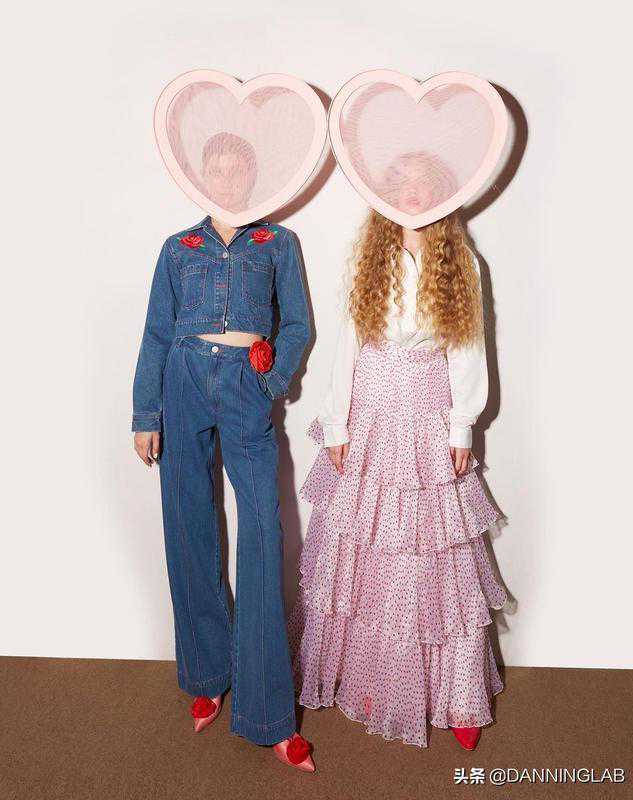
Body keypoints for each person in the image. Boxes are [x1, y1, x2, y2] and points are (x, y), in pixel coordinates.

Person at [287, 151, 507, 751]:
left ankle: (457, 694)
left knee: (435, 556)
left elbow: (468, 348)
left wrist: (462, 427)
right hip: (371, 417)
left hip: (430, 417)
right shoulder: (370, 255)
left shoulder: (462, 262)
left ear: (442, 195)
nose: (411, 193)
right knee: (367, 554)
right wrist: (337, 422)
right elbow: (348, 345)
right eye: (400, 183)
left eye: (422, 184)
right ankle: (370, 682)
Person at [131, 131, 316, 771]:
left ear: (252, 176)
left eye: (238, 168)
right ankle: (208, 676)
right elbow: (156, 333)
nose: (227, 178)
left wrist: (270, 378)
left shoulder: (278, 244)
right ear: (200, 176)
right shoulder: (176, 248)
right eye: (216, 168)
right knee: (189, 526)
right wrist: (146, 414)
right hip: (181, 382)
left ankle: (269, 714)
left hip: (244, 386)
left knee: (262, 529)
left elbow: (298, 324)